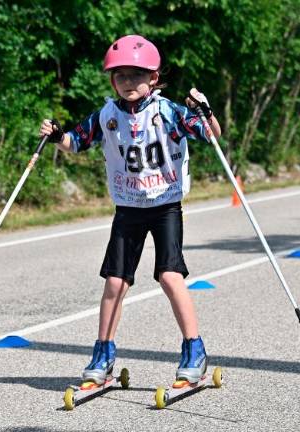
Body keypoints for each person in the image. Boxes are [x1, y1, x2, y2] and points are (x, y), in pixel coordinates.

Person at [39, 35, 222, 388]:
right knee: (115, 282)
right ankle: (103, 354)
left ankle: (194, 350)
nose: (128, 83)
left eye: (136, 75)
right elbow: (75, 143)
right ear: (112, 81)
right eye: (120, 76)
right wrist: (57, 135)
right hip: (128, 207)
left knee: (169, 276)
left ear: (153, 78)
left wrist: (205, 111)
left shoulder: (167, 111)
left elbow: (212, 135)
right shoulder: (106, 115)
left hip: (165, 204)